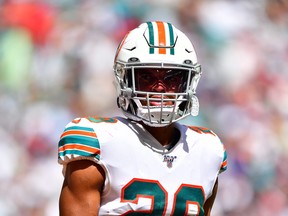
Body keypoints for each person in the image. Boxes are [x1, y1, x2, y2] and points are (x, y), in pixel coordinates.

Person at [58, 21, 227, 216]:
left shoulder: (208, 150)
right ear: (125, 79)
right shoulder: (96, 140)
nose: (160, 88)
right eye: (146, 77)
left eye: (171, 78)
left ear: (188, 82)